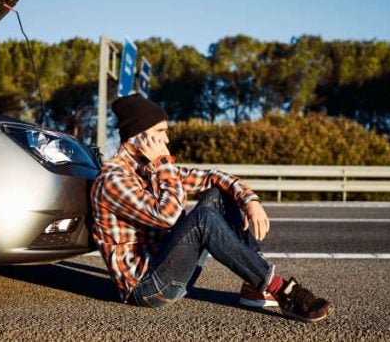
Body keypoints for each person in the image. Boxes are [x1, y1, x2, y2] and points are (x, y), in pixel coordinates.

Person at [90, 94, 334, 323]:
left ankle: (254, 286)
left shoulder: (149, 169)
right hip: (147, 289)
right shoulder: (113, 178)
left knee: (216, 194)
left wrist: (249, 200)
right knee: (202, 218)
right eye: (160, 132)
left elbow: (212, 176)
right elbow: (167, 217)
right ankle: (281, 290)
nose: (166, 140)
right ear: (141, 136)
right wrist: (163, 165)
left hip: (171, 271)